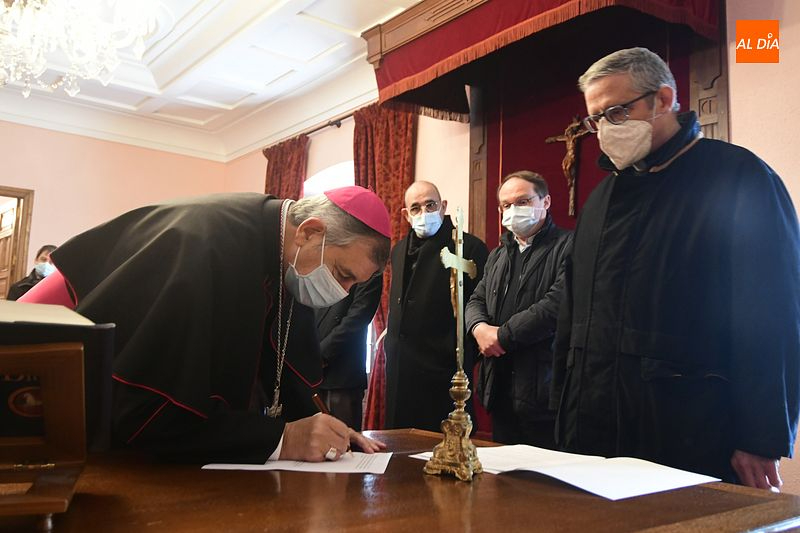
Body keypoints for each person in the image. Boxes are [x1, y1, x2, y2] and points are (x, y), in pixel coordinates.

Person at [551, 47, 800, 489]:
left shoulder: (740, 178)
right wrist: (562, 412)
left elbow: (773, 315)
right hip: (589, 431)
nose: (604, 130)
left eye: (615, 112)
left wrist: (760, 436)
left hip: (687, 428)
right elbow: (572, 317)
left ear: (663, 100)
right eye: (595, 120)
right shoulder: (600, 200)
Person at [21, 187, 391, 463]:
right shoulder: (207, 245)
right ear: (309, 232)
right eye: (343, 275)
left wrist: (324, 428)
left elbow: (279, 371)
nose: (342, 293)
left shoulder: (284, 256)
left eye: (353, 285)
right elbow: (149, 413)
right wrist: (285, 438)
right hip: (34, 364)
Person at [466, 171, 571, 448]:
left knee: (542, 483)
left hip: (542, 387)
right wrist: (478, 328)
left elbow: (557, 304)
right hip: (499, 386)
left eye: (523, 201)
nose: (513, 210)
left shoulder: (568, 246)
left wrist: (503, 336)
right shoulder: (499, 253)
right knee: (503, 481)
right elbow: (476, 299)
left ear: (545, 202)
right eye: (506, 205)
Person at [384, 181, 488, 431]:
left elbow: (479, 305)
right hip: (401, 369)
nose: (424, 213)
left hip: (443, 370)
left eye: (430, 205)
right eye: (416, 208)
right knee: (400, 446)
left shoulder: (468, 247)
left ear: (443, 207)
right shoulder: (398, 250)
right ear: (405, 214)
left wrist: (460, 354)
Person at [315, 273, 383, 431]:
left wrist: (321, 355)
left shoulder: (370, 270)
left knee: (344, 445)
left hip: (343, 376)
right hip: (310, 373)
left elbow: (357, 319)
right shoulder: (320, 267)